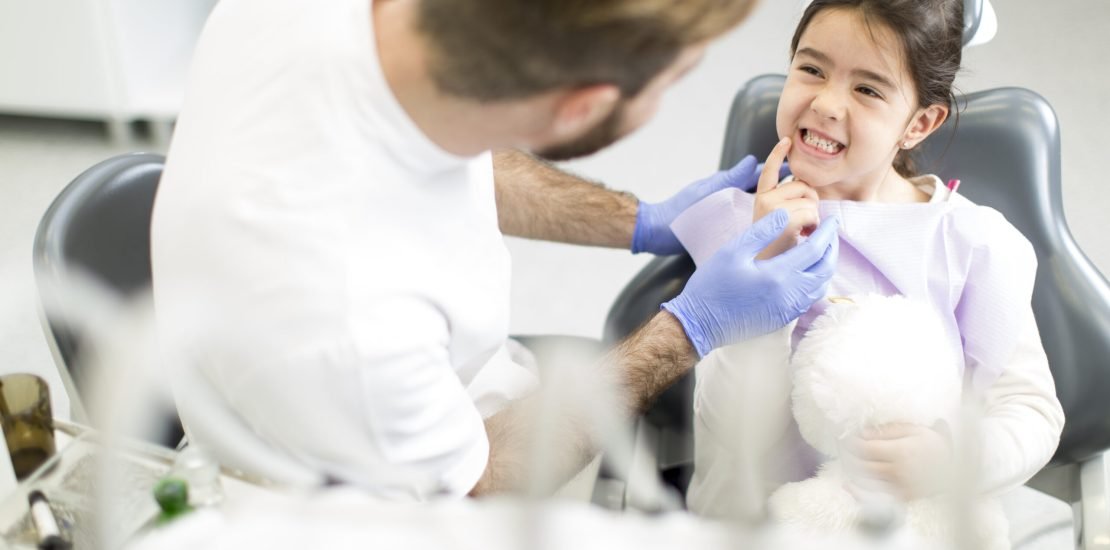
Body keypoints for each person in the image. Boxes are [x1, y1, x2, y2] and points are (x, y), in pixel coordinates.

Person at [150, 0, 840, 500]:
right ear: (579, 107)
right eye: (673, 81)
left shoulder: (338, 25)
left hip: (423, 400)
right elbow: (479, 480)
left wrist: (641, 221)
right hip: (356, 503)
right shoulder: (345, 318)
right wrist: (688, 330)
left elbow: (461, 149)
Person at [680, 0, 1064, 518]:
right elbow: (733, 428)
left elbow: (1031, 411)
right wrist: (764, 266)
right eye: (811, 69)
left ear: (920, 122)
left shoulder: (967, 243)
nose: (827, 103)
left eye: (867, 89)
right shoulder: (743, 226)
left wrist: (949, 458)